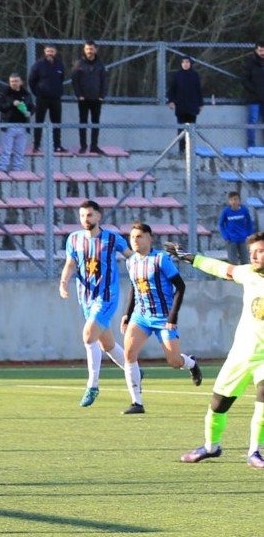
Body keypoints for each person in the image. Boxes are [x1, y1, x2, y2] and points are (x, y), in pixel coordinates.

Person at [168, 234, 264, 468]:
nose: (253, 255)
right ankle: (211, 447)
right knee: (218, 405)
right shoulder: (248, 274)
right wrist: (189, 257)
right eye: (252, 251)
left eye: (259, 251)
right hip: (242, 353)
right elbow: (220, 267)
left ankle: (255, 451)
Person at [118, 222, 202, 414]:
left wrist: (173, 317)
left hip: (163, 318)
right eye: (132, 238)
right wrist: (127, 314)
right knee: (129, 354)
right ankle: (136, 402)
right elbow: (135, 288)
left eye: (139, 237)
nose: (135, 241)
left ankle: (191, 363)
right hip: (141, 316)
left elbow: (180, 287)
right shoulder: (131, 261)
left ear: (149, 238)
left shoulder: (161, 259)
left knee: (174, 361)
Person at [58, 200, 133, 407]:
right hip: (86, 298)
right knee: (105, 344)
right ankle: (132, 369)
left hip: (107, 296)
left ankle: (92, 385)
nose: (85, 219)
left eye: (89, 215)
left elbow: (131, 257)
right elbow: (70, 264)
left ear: (99, 216)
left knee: (88, 335)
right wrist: (63, 283)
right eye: (82, 216)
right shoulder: (73, 239)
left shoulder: (111, 239)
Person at [28, 44, 67, 154]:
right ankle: (36, 145)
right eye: (48, 51)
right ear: (45, 51)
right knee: (39, 121)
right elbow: (31, 80)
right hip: (42, 98)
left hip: (55, 98)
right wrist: (37, 93)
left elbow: (61, 78)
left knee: (57, 123)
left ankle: (57, 146)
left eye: (52, 51)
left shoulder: (59, 64)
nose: (50, 53)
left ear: (55, 52)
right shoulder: (38, 64)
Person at [71, 40, 108, 154]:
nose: (89, 51)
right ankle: (83, 146)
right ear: (84, 50)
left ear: (95, 49)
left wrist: (102, 96)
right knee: (83, 122)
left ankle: (94, 146)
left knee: (95, 123)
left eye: (91, 49)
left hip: (96, 99)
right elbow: (74, 81)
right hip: (83, 99)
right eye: (87, 49)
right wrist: (79, 95)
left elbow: (105, 81)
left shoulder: (101, 65)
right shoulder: (79, 64)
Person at [0, 72, 33, 171]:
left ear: (21, 82)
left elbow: (32, 107)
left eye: (16, 81)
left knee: (20, 151)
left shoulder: (26, 94)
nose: (14, 83)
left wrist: (29, 113)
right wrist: (11, 103)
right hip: (8, 125)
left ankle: (17, 169)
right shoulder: (4, 93)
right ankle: (2, 168)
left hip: (22, 126)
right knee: (6, 150)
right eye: (12, 81)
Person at [166, 55, 204, 127]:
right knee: (181, 128)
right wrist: (171, 101)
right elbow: (172, 89)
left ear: (190, 64)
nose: (185, 64)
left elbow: (198, 90)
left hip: (192, 107)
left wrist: (200, 103)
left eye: (187, 62)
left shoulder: (195, 75)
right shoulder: (177, 75)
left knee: (191, 128)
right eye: (183, 62)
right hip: (181, 107)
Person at [220, 191, 256, 264]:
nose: (234, 202)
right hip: (231, 239)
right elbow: (221, 224)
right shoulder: (226, 211)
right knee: (233, 262)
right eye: (231, 200)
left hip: (243, 239)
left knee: (245, 260)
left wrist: (250, 234)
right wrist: (226, 236)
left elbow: (250, 222)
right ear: (229, 201)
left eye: (235, 199)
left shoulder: (244, 210)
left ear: (239, 201)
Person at [243, 43, 264, 149]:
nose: (262, 53)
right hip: (254, 98)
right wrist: (254, 91)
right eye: (260, 50)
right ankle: (251, 145)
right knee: (252, 121)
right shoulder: (250, 63)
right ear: (256, 50)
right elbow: (245, 80)